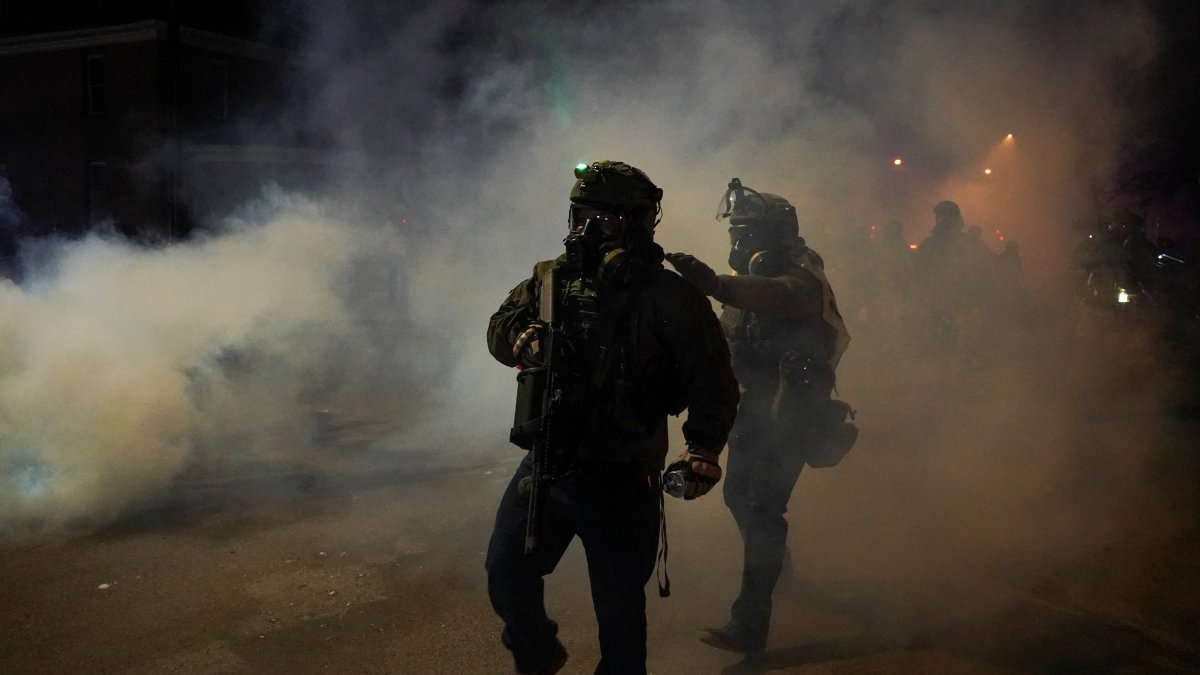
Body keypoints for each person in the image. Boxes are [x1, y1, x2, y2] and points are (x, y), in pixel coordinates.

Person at [485, 160, 740, 675]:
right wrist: (520, 337)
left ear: (639, 223)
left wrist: (703, 450)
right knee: (505, 573)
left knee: (621, 616)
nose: (585, 232)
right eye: (579, 216)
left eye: (603, 221)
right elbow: (499, 323)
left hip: (625, 476)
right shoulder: (552, 279)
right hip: (550, 462)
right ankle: (538, 655)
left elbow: (713, 382)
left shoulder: (672, 299)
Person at [666, 178, 851, 658]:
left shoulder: (800, 274)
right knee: (736, 496)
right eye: (737, 232)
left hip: (792, 414)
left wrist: (717, 284)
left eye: (750, 233)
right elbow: (732, 340)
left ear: (778, 235)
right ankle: (777, 572)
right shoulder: (754, 284)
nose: (739, 242)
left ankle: (750, 624)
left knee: (763, 512)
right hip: (754, 410)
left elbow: (776, 294)